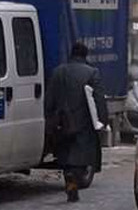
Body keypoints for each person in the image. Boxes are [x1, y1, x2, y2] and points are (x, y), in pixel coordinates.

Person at [45, 42, 109, 203]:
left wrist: (50, 119)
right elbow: (99, 99)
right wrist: (102, 120)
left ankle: (70, 180)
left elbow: (49, 100)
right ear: (85, 56)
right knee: (81, 157)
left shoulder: (58, 72)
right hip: (83, 122)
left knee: (65, 155)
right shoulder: (92, 73)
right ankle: (73, 179)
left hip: (62, 123)